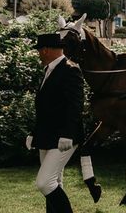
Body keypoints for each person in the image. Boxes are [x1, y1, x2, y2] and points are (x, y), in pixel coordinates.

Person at [25, 33, 84, 213]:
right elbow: (45, 107)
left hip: (63, 137)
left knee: (44, 183)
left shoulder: (70, 69)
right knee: (55, 182)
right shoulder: (49, 70)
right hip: (46, 136)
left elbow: (75, 105)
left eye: (39, 51)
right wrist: (34, 133)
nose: (39, 55)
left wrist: (68, 134)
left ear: (46, 50)